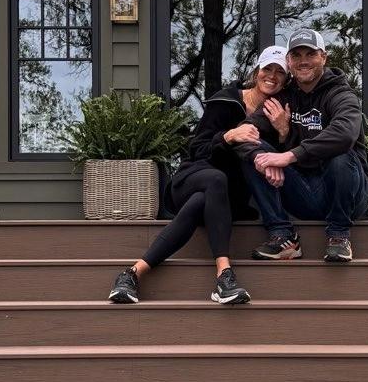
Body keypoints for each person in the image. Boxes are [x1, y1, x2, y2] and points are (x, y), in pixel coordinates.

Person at [107, 46, 290, 305]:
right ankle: (224, 275)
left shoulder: (280, 112)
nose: (272, 75)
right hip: (194, 177)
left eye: (280, 72)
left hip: (227, 197)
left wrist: (283, 133)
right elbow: (197, 149)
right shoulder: (226, 101)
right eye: (267, 68)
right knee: (215, 179)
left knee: (203, 200)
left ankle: (131, 274)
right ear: (256, 71)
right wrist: (228, 136)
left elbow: (281, 161)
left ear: (286, 79)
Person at [242, 28, 368, 263]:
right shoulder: (283, 98)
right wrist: (261, 157)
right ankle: (283, 236)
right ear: (289, 61)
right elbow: (246, 133)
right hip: (305, 192)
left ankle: (339, 235)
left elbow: (344, 134)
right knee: (254, 150)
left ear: (323, 57)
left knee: (339, 154)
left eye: (310, 54)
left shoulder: (341, 94)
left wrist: (289, 155)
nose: (303, 61)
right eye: (296, 55)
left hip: (350, 196)